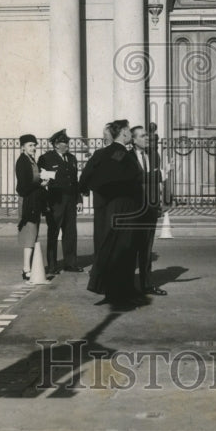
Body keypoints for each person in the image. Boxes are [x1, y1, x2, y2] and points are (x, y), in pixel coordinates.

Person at [85, 119, 143, 309]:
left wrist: (97, 193)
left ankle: (113, 292)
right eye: (127, 131)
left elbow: (87, 178)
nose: (129, 134)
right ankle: (121, 294)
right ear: (123, 133)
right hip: (124, 206)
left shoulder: (104, 153)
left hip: (109, 207)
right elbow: (120, 175)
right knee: (124, 250)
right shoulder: (119, 152)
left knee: (111, 248)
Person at [37, 129, 83, 276]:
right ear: (56, 144)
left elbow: (75, 182)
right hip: (55, 200)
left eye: (68, 142)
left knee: (70, 232)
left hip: (70, 201)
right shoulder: (46, 158)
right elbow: (40, 179)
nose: (67, 144)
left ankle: (71, 263)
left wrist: (79, 200)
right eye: (65, 142)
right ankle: (52, 266)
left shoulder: (72, 158)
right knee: (53, 232)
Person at [131, 125, 167, 296]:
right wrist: (160, 175)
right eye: (143, 136)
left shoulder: (154, 155)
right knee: (130, 248)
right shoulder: (127, 157)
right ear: (133, 139)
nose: (147, 139)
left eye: (147, 136)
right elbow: (133, 180)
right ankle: (128, 286)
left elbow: (155, 183)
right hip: (133, 210)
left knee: (146, 247)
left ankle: (146, 284)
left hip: (150, 209)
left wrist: (158, 203)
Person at [15, 134, 48, 281]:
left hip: (34, 201)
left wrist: (42, 179)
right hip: (28, 202)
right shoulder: (22, 161)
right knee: (29, 233)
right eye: (30, 145)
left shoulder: (31, 160)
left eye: (34, 145)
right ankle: (26, 268)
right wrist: (39, 184)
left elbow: (33, 180)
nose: (33, 148)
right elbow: (23, 185)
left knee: (33, 233)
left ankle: (30, 266)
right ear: (22, 147)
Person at [79, 122, 114, 257]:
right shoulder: (122, 154)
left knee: (100, 230)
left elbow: (87, 173)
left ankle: (100, 261)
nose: (103, 137)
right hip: (117, 199)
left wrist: (84, 188)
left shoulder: (99, 154)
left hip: (100, 198)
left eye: (105, 135)